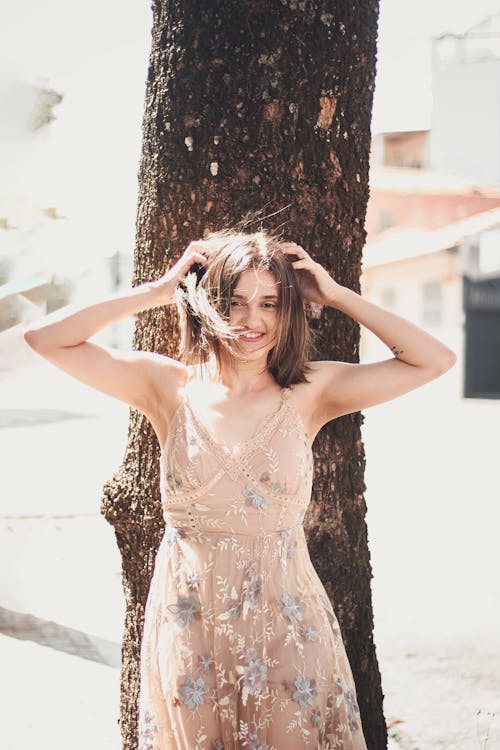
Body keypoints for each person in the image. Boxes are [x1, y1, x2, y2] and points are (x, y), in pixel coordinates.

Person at [24, 227, 456, 750]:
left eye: (270, 303)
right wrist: (160, 291)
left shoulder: (314, 390)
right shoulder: (168, 386)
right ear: (209, 303)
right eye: (235, 302)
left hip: (285, 625)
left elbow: (433, 360)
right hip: (190, 628)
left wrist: (337, 294)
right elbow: (44, 339)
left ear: (290, 310)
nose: (253, 320)